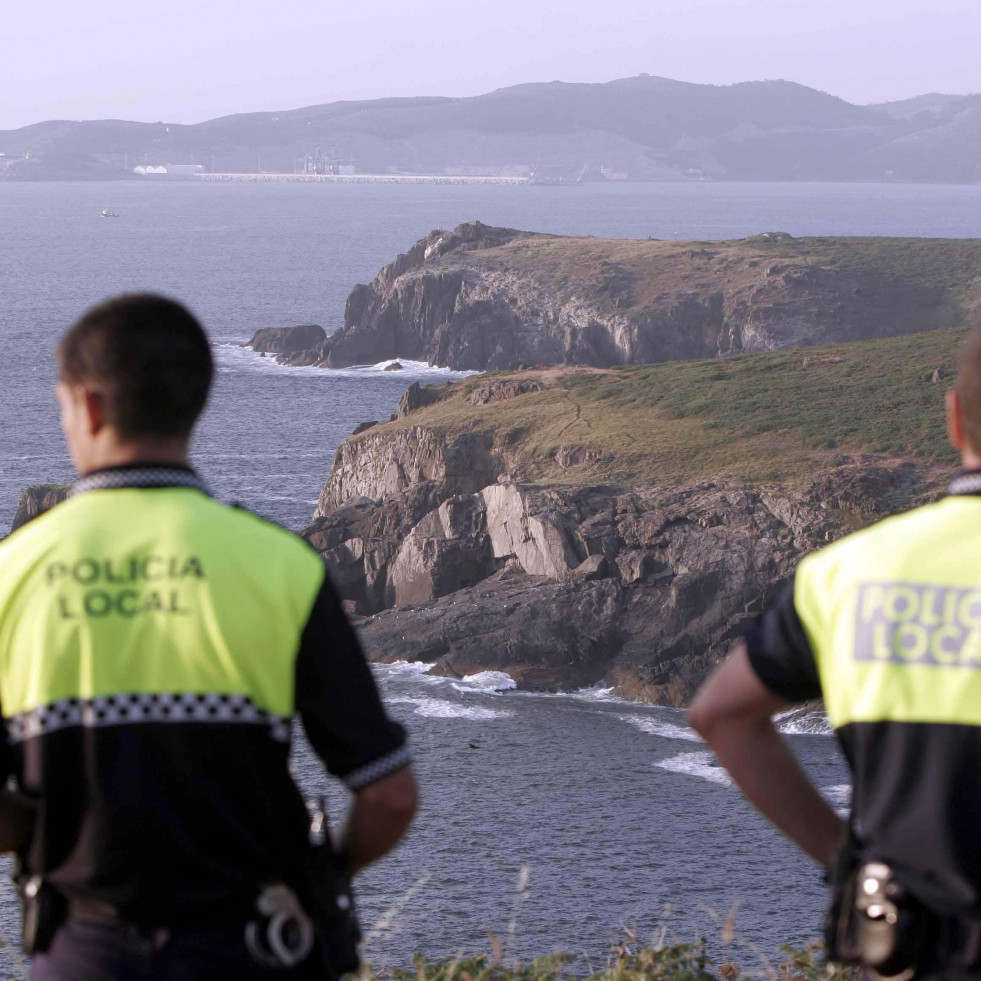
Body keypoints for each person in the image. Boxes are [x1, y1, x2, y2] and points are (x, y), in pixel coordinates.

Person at [0, 294, 418, 979]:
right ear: (194, 400)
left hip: (83, 950)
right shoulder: (278, 564)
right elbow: (388, 795)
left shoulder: (11, 575)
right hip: (257, 946)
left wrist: (44, 827)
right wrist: (324, 876)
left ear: (90, 406)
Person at [688, 325, 981, 978]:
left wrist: (847, 864)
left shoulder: (848, 572)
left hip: (912, 949)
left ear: (954, 416)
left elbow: (721, 713)